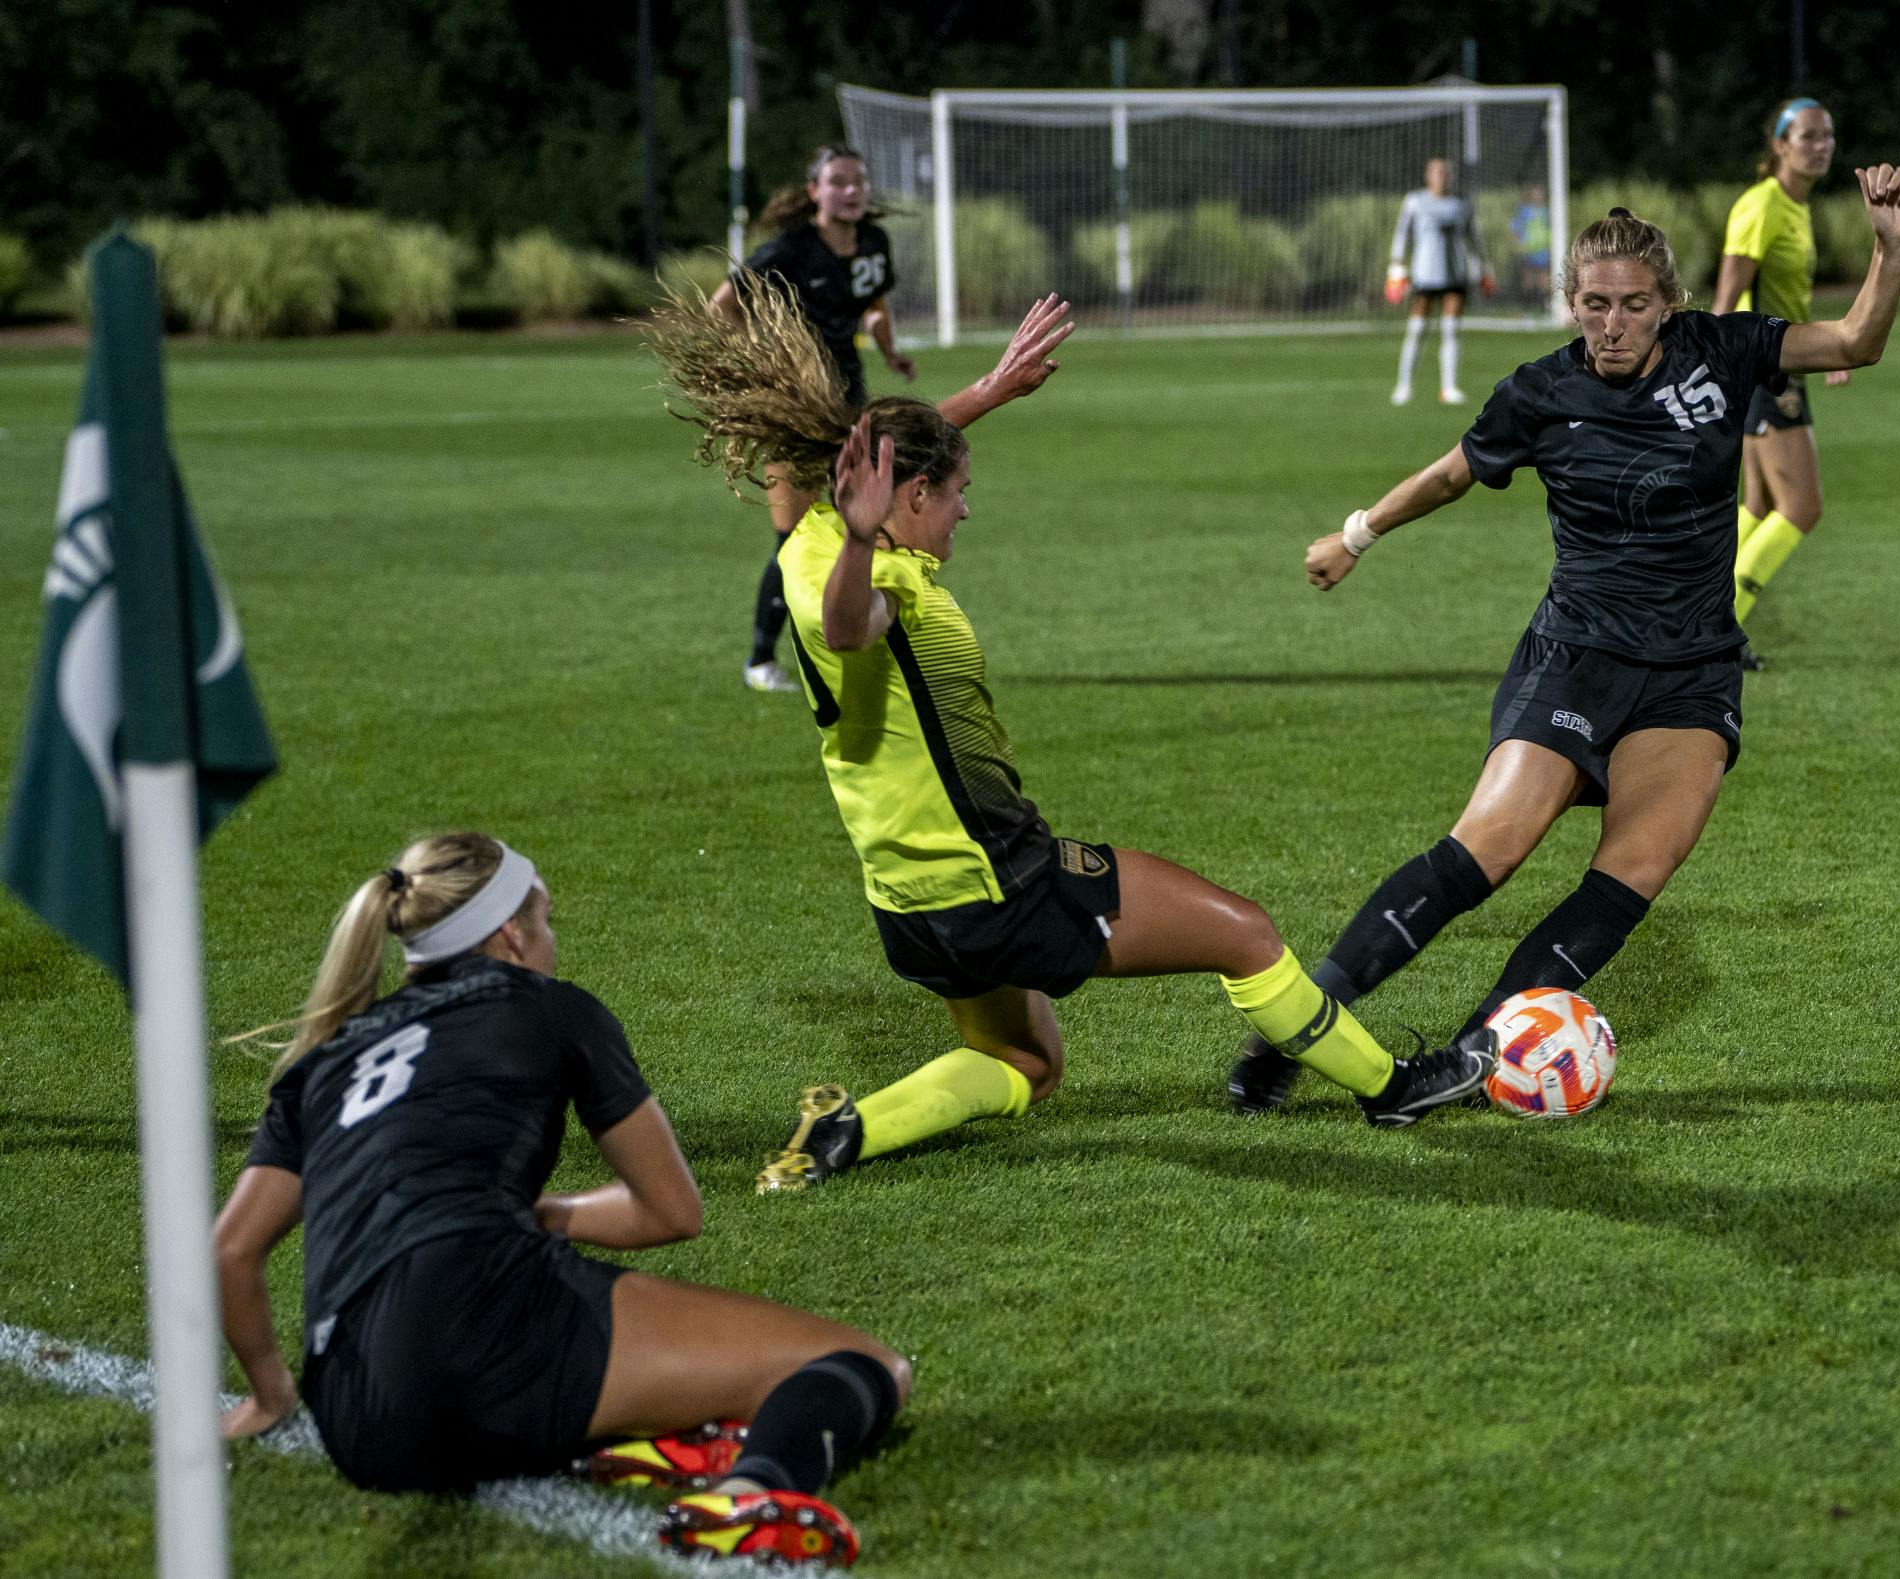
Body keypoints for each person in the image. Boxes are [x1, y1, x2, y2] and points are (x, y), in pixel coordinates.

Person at [643, 280, 1493, 1189]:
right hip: (996, 877)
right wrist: (865, 542)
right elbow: (851, 626)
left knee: (1031, 1066)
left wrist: (987, 394)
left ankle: (846, 1130)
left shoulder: (812, 536)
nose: (966, 509)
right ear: (911, 494)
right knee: (1246, 934)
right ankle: (1395, 1087)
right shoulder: (870, 573)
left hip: (909, 895)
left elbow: (891, 475)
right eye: (958, 490)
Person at [1231, 167, 1900, 1114]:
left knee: (1634, 868)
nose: (1611, 324)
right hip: (1576, 653)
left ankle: (1470, 1058)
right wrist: (1355, 536)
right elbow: (1449, 475)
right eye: (1594, 304)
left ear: (1667, 306)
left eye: (1633, 305)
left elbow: (1855, 341)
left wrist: (1892, 247)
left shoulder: (1723, 350)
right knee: (1490, 847)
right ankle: (1300, 1025)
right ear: (1571, 302)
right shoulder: (1541, 392)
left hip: (1690, 671)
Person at [212, 832, 911, 1566]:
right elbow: (671, 1210)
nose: (550, 938)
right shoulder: (549, 1007)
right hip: (490, 1325)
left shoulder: (325, 1058)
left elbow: (230, 1251)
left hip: (359, 1421)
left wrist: (269, 1396)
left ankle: (641, 1437)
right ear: (512, 931)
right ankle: (751, 1489)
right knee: (859, 1363)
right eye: (545, 919)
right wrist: (551, 1213)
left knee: (498, 1376)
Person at [709, 145, 913, 695]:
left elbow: (873, 305)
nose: (851, 190)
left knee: (865, 522)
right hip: (795, 411)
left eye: (859, 181)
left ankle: (860, 638)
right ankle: (760, 660)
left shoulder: (874, 243)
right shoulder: (789, 249)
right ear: (814, 191)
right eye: (838, 181)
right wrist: (762, 367)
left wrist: (890, 350)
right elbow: (722, 306)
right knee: (794, 535)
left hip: (850, 400)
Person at [1714, 99, 1842, 669]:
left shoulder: (1794, 204)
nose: (1822, 146)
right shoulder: (1762, 204)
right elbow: (1727, 298)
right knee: (1803, 507)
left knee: (1762, 504)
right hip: (1763, 369)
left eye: (1828, 136)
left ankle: (1702, 618)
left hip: (1782, 364)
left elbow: (1787, 300)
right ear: (1780, 145)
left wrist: (1824, 351)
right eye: (1809, 136)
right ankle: (1720, 629)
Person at [1386, 157, 1494, 407]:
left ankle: (1449, 387)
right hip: (1425, 273)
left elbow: (1473, 239)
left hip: (1455, 274)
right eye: (1437, 171)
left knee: (1451, 329)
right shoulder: (1415, 202)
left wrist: (1483, 270)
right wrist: (1396, 267)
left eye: (1446, 172)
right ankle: (1404, 385)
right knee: (1417, 330)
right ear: (1427, 175)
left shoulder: (1462, 205)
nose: (1442, 176)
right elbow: (1402, 235)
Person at [1510, 182, 1553, 300]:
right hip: (1529, 248)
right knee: (1529, 276)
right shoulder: (1524, 210)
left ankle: (1545, 302)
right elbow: (1515, 227)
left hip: (1544, 248)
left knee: (1544, 276)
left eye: (1540, 193)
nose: (1538, 195)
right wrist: (1519, 243)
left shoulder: (1548, 210)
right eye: (1535, 193)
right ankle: (1528, 302)